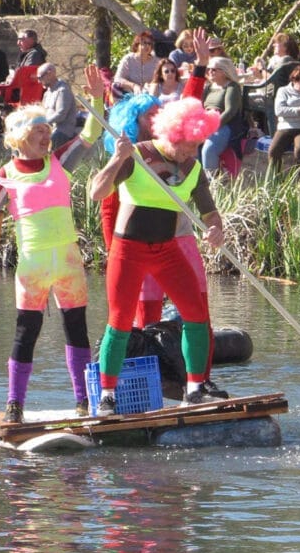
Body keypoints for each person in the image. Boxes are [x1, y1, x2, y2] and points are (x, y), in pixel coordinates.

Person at [0, 68, 106, 423]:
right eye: (38, 132)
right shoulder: (4, 176)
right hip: (32, 268)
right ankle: (15, 405)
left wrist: (96, 98)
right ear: (19, 139)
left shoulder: (59, 161)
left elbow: (92, 133)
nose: (46, 137)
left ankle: (84, 402)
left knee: (77, 329)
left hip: (68, 264)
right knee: (25, 332)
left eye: (47, 131)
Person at [89, 95, 227, 415]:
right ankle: (108, 395)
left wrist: (216, 230)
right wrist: (116, 159)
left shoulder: (193, 169)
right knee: (120, 321)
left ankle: (194, 389)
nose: (193, 153)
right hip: (128, 250)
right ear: (172, 135)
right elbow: (97, 192)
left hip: (167, 250)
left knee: (196, 314)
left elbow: (210, 212)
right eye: (189, 145)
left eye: (197, 145)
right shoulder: (138, 155)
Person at [200, 57, 243, 173]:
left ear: (224, 71)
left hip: (225, 124)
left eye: (214, 69)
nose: (210, 72)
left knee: (209, 150)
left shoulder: (232, 87)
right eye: (208, 69)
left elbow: (230, 111)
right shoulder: (208, 87)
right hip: (206, 122)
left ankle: (211, 183)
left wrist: (212, 126)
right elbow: (200, 107)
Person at [37, 64, 79, 149]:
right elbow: (42, 112)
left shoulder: (63, 90)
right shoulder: (47, 93)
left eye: (40, 77)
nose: (39, 81)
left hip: (62, 131)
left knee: (43, 144)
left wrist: (43, 122)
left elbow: (61, 115)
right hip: (48, 129)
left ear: (50, 73)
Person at [113, 31, 159, 98]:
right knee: (115, 87)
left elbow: (160, 80)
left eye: (150, 44)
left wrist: (150, 85)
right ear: (137, 45)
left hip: (149, 95)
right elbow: (118, 78)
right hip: (129, 94)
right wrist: (133, 85)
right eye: (144, 43)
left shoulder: (156, 62)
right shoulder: (128, 59)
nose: (147, 46)